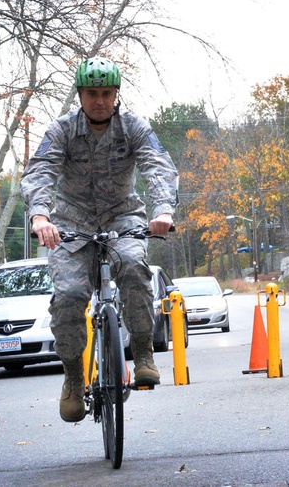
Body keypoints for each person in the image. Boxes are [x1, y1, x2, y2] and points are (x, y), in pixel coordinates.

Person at [20, 57, 179, 423]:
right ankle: (74, 379)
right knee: (69, 296)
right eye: (92, 93)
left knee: (134, 268)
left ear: (116, 94)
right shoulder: (62, 130)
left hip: (123, 218)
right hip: (70, 224)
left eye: (107, 93)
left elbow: (157, 166)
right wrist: (40, 216)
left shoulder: (133, 127)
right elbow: (41, 170)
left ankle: (143, 353)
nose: (100, 101)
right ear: (80, 95)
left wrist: (164, 211)